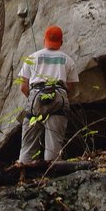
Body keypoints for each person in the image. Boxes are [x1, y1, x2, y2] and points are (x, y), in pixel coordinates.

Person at [17, 26, 79, 165]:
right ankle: (52, 176)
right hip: (59, 98)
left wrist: (34, 100)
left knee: (28, 144)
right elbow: (70, 87)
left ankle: (24, 174)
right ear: (61, 42)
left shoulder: (32, 58)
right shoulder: (68, 60)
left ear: (44, 39)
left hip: (36, 97)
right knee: (54, 148)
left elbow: (23, 86)